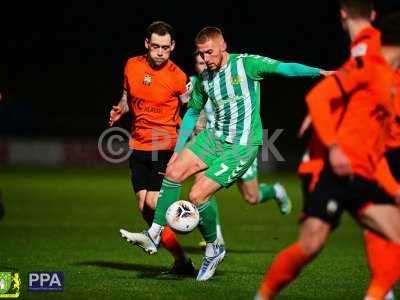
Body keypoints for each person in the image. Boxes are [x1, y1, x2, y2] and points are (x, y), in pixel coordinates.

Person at [120, 26, 328, 281]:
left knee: (197, 195)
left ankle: (214, 247)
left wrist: (321, 72)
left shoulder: (246, 65)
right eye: (201, 54)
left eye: (209, 53)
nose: (206, 59)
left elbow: (285, 68)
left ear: (223, 46)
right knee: (173, 171)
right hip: (214, 137)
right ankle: (154, 233)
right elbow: (193, 113)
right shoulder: (205, 78)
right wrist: (178, 149)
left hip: (241, 146)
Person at [255, 11, 400, 300]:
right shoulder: (368, 64)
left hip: (362, 173)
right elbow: (320, 96)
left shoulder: (390, 84)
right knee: (311, 244)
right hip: (331, 171)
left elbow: (377, 150)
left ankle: (376, 295)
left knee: (395, 236)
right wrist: (333, 146)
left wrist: (395, 190)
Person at [297, 1, 397, 298]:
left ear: (342, 13)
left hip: (386, 143)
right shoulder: (367, 49)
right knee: (377, 219)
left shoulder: (368, 47)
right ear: (374, 14)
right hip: (380, 145)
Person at [109, 21, 194, 276]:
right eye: (155, 46)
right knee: (144, 207)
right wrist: (120, 109)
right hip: (138, 145)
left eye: (165, 48)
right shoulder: (131, 65)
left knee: (155, 201)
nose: (160, 52)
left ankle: (190, 217)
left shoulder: (179, 77)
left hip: (164, 143)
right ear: (147, 44)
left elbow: (193, 109)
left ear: (173, 47)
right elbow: (127, 96)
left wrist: (197, 133)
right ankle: (182, 262)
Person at [187, 52, 292, 248]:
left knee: (252, 197)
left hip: (238, 144)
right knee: (201, 187)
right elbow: (191, 108)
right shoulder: (195, 83)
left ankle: (275, 191)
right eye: (199, 62)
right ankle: (216, 237)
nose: (203, 65)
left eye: (205, 61)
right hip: (212, 144)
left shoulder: (228, 77)